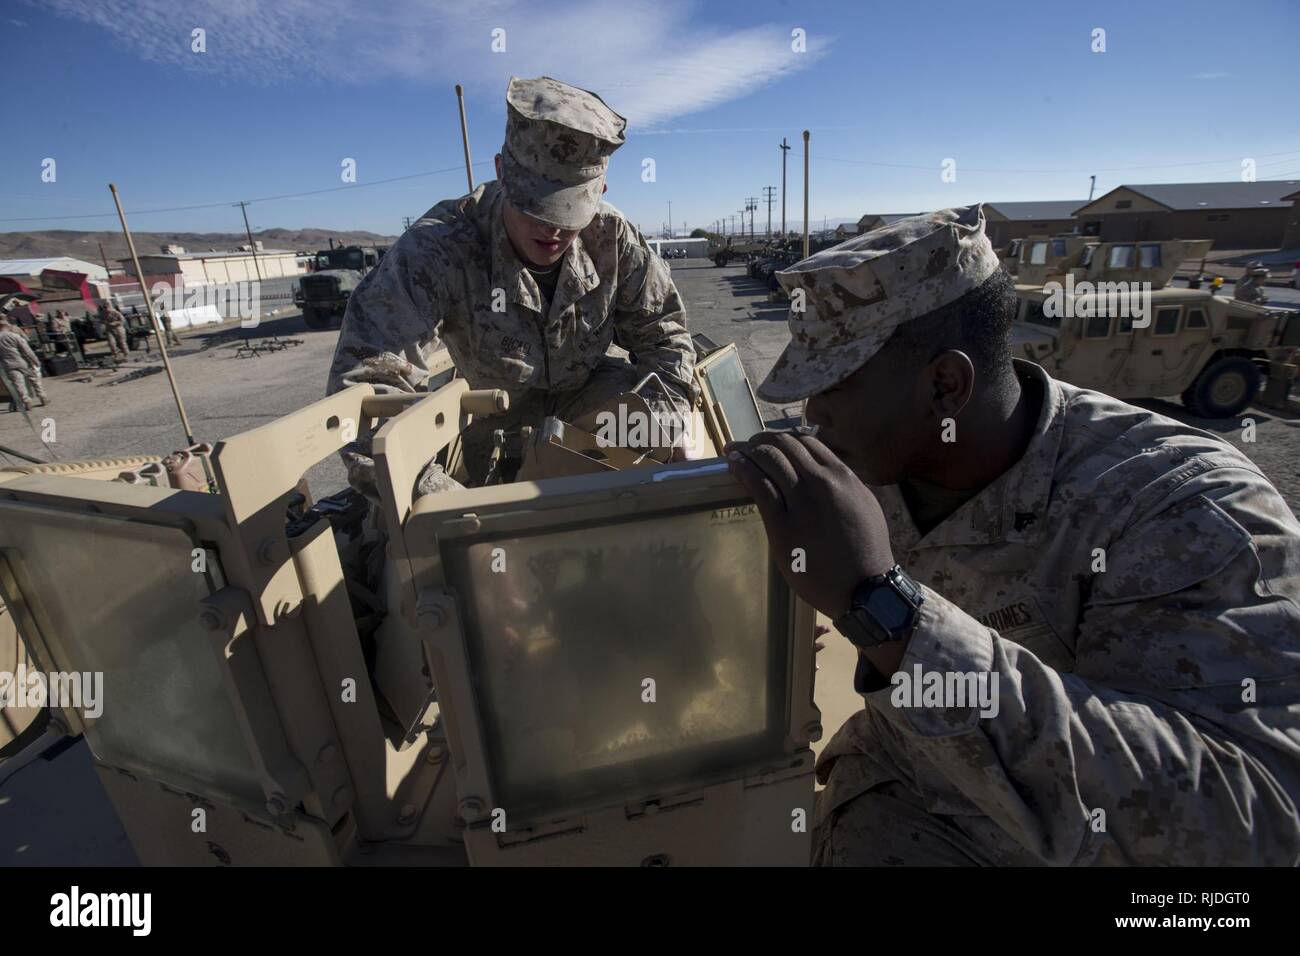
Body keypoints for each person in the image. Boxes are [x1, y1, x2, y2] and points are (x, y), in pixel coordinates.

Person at [726, 205, 1300, 865]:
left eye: (833, 389)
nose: (812, 418)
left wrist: (882, 609)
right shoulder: (879, 457)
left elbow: (1258, 820)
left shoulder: (1185, 508)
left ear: (946, 385)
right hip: (896, 809)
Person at [327, 75, 698, 489]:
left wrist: (666, 426)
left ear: (599, 192)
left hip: (595, 416)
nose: (552, 228)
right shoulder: (439, 248)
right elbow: (365, 392)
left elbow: (664, 336)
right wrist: (446, 502)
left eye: (567, 212)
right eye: (535, 206)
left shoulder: (611, 238)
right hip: (497, 437)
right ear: (501, 172)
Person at [0, 312, 47, 411]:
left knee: (18, 383)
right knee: (34, 379)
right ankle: (42, 397)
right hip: (22, 361)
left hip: (7, 364)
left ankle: (27, 402)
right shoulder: (14, 335)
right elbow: (27, 350)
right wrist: (36, 361)